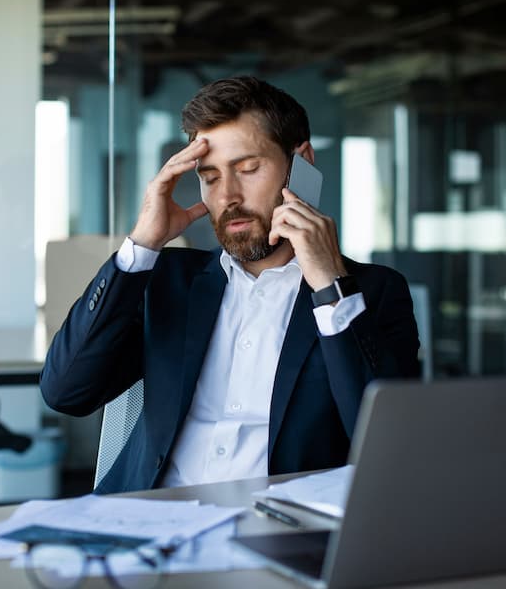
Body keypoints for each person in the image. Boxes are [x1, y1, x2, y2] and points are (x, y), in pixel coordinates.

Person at [41, 76, 420, 494]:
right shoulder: (168, 280)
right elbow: (66, 392)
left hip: (278, 532)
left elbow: (390, 444)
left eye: (248, 168)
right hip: (146, 521)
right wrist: (142, 245)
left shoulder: (372, 292)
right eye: (211, 177)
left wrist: (329, 285)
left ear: (303, 164)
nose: (228, 196)